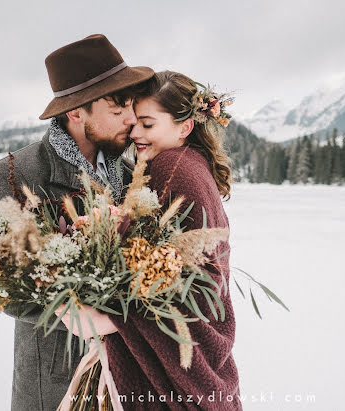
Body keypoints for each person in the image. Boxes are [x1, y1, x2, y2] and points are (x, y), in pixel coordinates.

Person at [0, 34, 155, 411]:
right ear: (76, 112)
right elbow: (3, 283)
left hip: (127, 379)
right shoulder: (17, 174)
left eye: (131, 105)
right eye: (117, 108)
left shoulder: (131, 176)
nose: (131, 118)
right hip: (55, 381)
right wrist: (72, 313)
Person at [71, 70, 242, 410]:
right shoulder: (186, 163)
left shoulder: (170, 167)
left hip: (182, 347)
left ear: (184, 127)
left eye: (148, 125)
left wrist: (115, 316)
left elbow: (192, 281)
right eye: (134, 123)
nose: (134, 132)